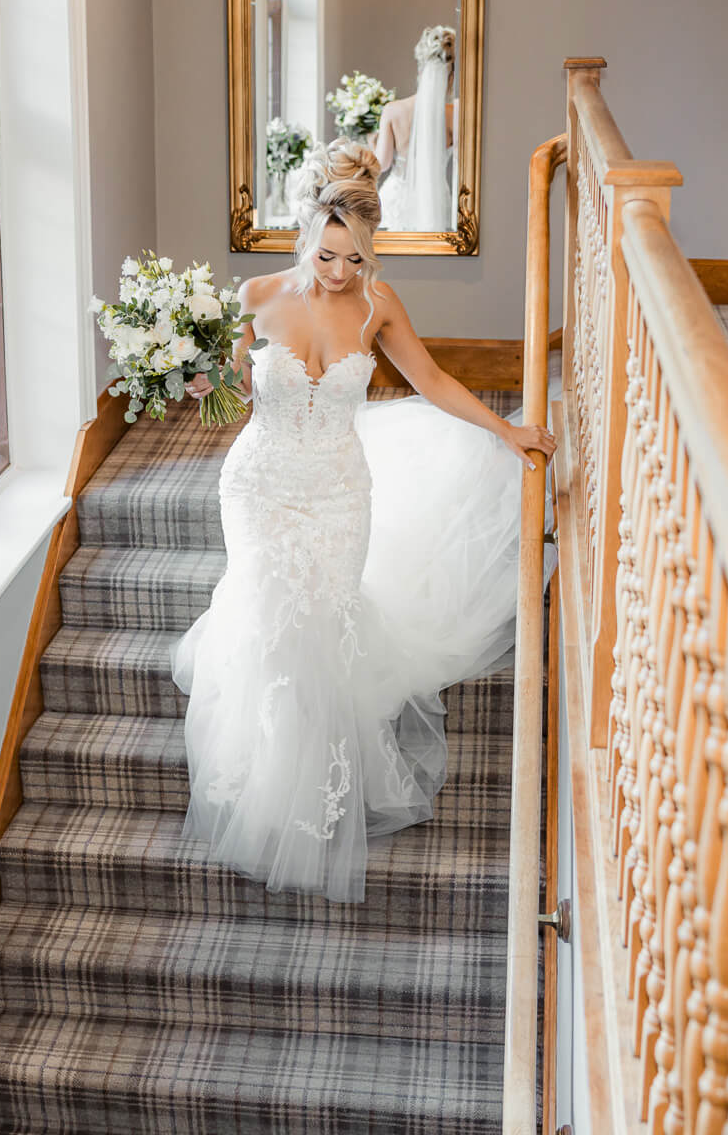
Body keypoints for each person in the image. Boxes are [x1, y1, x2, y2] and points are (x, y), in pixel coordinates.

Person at [174, 138, 555, 903]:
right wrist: (184, 371)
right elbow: (216, 383)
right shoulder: (255, 298)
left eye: (356, 258)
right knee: (271, 621)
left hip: (341, 493)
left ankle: (316, 794)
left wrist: (504, 430)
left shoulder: (379, 306)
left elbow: (435, 378)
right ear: (305, 236)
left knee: (325, 624)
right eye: (328, 257)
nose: (342, 273)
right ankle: (264, 786)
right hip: (261, 487)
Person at [374, 25, 456, 231]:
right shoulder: (454, 114)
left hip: (396, 199)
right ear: (450, 76)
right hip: (435, 199)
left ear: (420, 71)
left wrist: (370, 141)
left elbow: (381, 164)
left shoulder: (393, 110)